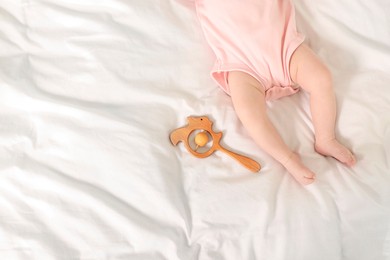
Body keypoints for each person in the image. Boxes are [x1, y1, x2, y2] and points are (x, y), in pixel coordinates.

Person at [194, 0, 356, 185]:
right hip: (242, 65)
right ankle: (287, 158)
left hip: (284, 49)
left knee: (321, 78)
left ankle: (326, 138)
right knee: (248, 113)